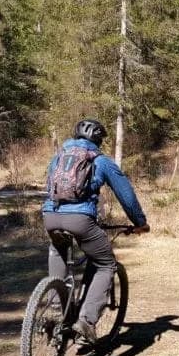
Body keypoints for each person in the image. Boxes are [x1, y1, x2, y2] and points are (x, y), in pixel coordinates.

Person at [41, 119, 149, 343]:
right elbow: (126, 195)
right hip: (81, 220)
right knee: (106, 264)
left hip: (50, 217)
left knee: (57, 249)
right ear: (99, 140)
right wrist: (139, 222)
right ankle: (86, 321)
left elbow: (51, 189)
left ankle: (54, 309)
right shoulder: (101, 161)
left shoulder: (58, 157)